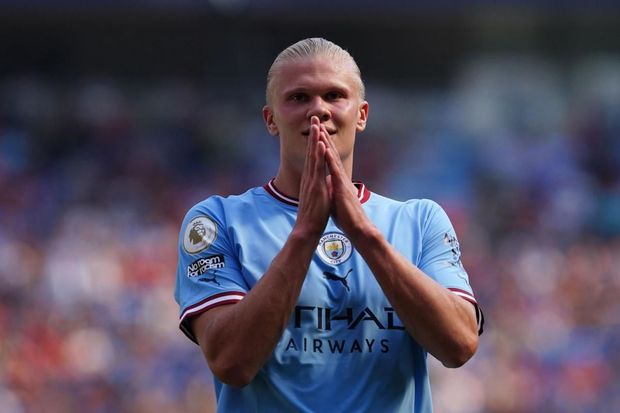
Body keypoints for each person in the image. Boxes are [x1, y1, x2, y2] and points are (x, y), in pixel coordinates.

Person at [174, 37, 483, 412]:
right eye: (298, 97)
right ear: (271, 120)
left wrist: (365, 235)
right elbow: (231, 362)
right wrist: (305, 233)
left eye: (334, 95)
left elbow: (459, 345)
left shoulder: (419, 221)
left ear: (362, 115)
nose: (318, 110)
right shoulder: (217, 221)